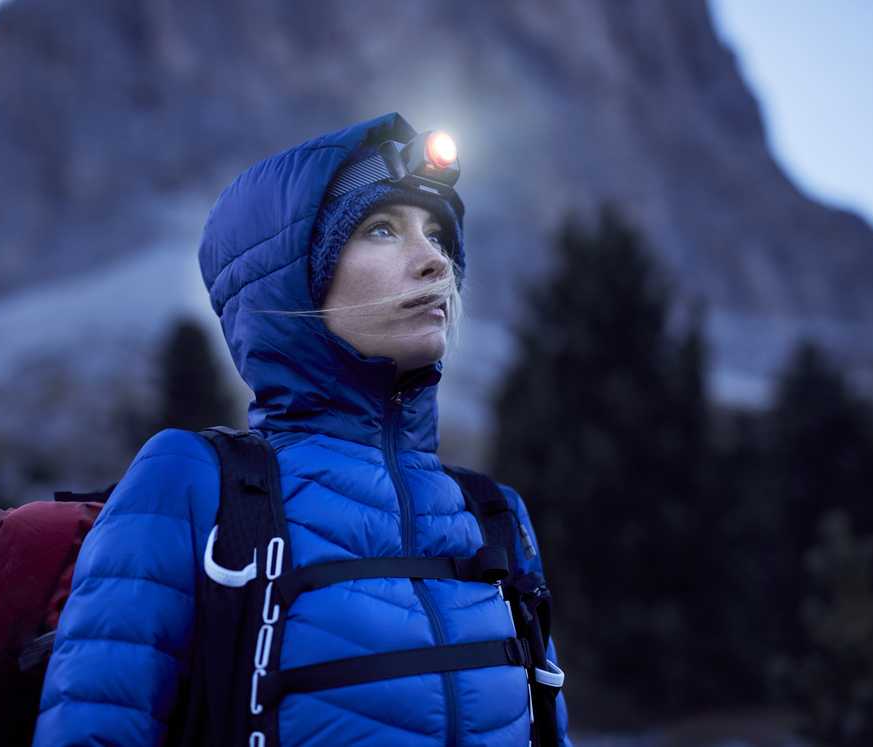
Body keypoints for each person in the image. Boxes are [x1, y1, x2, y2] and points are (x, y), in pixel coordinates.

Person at [33, 113, 572, 746]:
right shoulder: (192, 484)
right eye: (381, 229)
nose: (434, 262)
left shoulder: (494, 516)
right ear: (291, 276)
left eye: (437, 234)